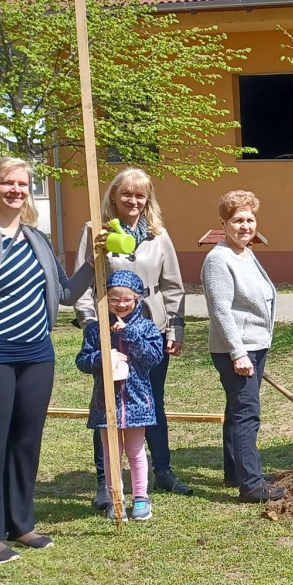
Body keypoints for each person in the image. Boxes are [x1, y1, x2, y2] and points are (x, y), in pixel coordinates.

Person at [0, 157, 94, 563]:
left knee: (25, 442)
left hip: (35, 354)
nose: (16, 190)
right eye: (7, 182)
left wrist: (95, 265)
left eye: (23, 184)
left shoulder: (36, 239)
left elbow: (62, 293)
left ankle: (20, 524)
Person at [75, 167, 191, 509]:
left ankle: (163, 471)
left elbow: (173, 285)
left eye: (140, 195)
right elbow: (83, 283)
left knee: (151, 400)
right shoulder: (95, 231)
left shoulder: (158, 235)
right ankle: (104, 482)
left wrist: (175, 328)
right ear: (114, 196)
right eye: (126, 193)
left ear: (148, 199)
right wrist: (89, 323)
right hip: (110, 332)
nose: (133, 200)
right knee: (109, 404)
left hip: (149, 328)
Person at [203, 191, 286, 501]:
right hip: (236, 348)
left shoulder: (245, 253)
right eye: (238, 220)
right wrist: (238, 353)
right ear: (223, 223)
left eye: (250, 220)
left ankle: (235, 472)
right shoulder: (218, 259)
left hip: (253, 344)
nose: (245, 226)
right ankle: (251, 484)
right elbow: (221, 310)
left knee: (237, 408)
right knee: (246, 413)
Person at [75, 270, 165, 521]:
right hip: (107, 403)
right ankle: (116, 499)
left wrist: (128, 333)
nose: (121, 304)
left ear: (137, 300)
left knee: (135, 452)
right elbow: (82, 360)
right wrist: (102, 358)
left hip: (137, 401)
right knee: (111, 453)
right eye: (114, 299)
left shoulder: (146, 327)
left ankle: (141, 498)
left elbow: (153, 358)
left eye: (127, 299)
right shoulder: (96, 330)